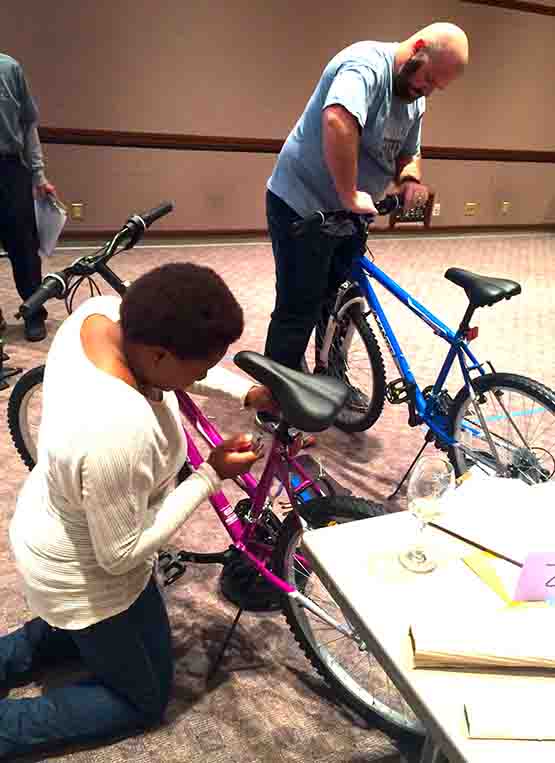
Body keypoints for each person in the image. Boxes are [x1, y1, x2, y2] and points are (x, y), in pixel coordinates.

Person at [0, 262, 277, 759]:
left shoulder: (103, 315)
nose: (199, 378)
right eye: (197, 370)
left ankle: (43, 642)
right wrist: (209, 475)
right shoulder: (116, 428)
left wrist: (246, 392)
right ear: (159, 355)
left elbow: (180, 362)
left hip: (59, 518)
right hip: (84, 569)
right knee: (143, 698)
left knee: (119, 641)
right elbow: (119, 556)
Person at [261, 22, 469, 411]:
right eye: (428, 79)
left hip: (350, 213)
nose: (427, 90)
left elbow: (409, 151)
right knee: (299, 306)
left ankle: (329, 375)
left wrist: (409, 178)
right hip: (303, 205)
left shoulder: (414, 97)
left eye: (436, 87)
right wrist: (348, 194)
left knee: (339, 298)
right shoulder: (365, 65)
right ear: (418, 48)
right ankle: (275, 401)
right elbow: (338, 121)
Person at [0, 52, 56, 342]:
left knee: (23, 247)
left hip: (9, 168)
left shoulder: (9, 69)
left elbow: (28, 125)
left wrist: (39, 175)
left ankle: (34, 311)